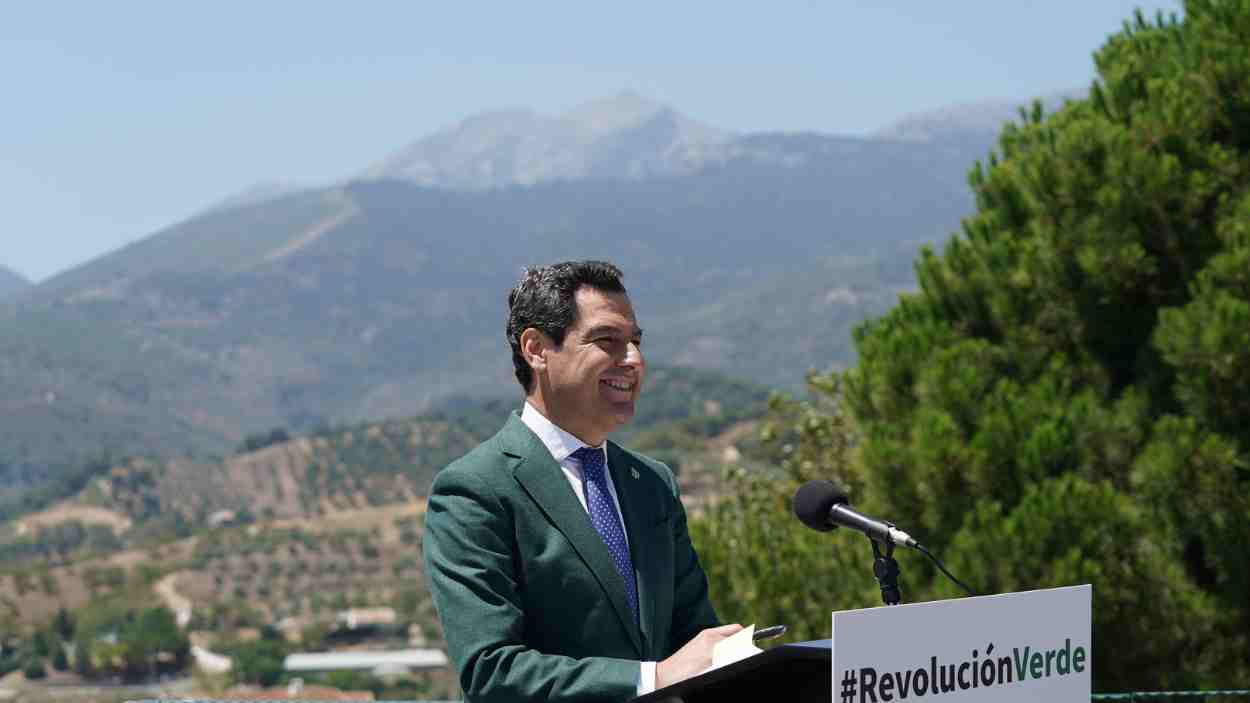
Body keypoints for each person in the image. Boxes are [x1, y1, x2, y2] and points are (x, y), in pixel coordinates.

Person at [423, 260, 741, 703]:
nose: (633, 360)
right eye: (607, 341)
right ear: (536, 349)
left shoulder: (653, 484)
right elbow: (491, 670)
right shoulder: (474, 490)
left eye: (635, 342)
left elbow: (694, 638)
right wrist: (650, 679)